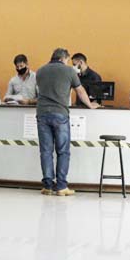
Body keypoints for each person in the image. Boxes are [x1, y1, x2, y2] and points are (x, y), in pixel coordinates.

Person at [36, 48, 100, 196]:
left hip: (42, 113)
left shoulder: (40, 71)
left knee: (45, 151)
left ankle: (48, 186)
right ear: (63, 58)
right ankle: (61, 186)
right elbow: (80, 91)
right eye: (67, 60)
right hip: (60, 114)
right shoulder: (69, 71)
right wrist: (90, 105)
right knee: (63, 151)